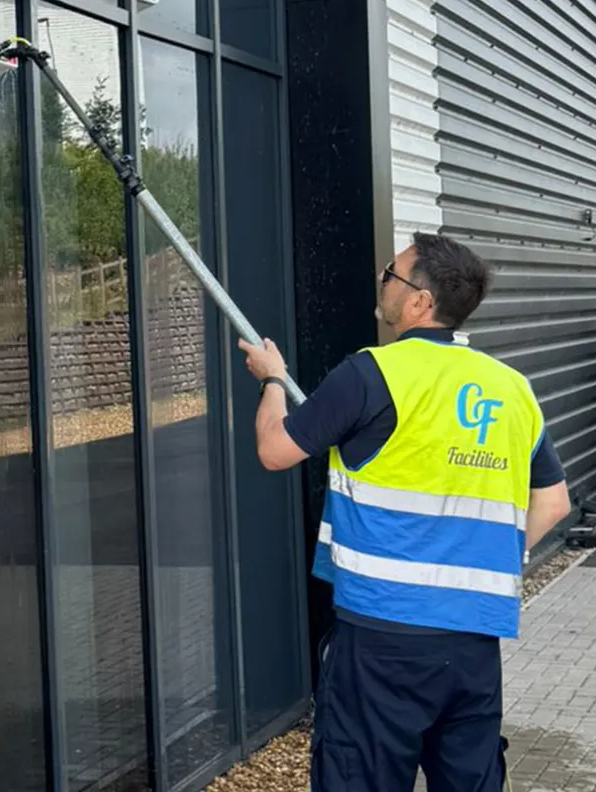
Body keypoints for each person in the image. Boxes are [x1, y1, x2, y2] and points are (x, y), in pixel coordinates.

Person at [236, 232, 573, 792]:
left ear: (419, 301)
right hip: (471, 646)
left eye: (390, 275)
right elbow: (554, 501)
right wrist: (476, 559)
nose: (382, 283)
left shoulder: (371, 374)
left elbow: (275, 450)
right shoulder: (513, 390)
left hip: (380, 641)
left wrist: (273, 380)